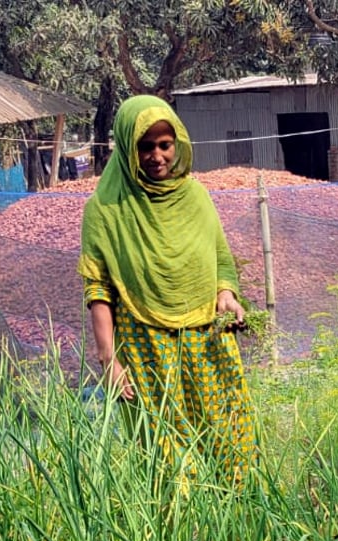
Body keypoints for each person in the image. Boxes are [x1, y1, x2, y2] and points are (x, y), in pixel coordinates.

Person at [77, 95, 257, 480]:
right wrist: (109, 361)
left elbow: (221, 261)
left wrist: (227, 296)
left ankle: (237, 532)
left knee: (231, 443)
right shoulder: (105, 209)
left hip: (207, 338)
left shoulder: (196, 197)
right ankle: (178, 537)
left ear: (178, 145)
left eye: (165, 145)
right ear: (127, 148)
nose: (157, 156)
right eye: (145, 147)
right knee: (166, 458)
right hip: (145, 346)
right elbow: (98, 289)